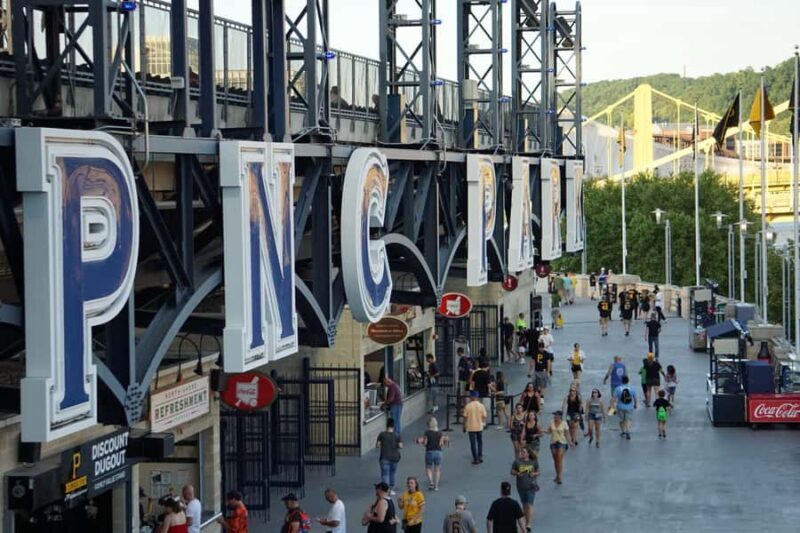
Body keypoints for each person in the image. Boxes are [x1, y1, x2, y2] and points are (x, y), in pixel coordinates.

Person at [511, 446, 540, 532]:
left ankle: (528, 524)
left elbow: (539, 471)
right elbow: (512, 471)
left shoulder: (533, 461)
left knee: (529, 504)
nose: (521, 453)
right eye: (521, 452)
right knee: (524, 504)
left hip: (531, 486)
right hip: (521, 486)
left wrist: (534, 474)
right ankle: (525, 519)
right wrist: (517, 473)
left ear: (528, 453)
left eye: (523, 452)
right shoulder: (517, 462)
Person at [417, 417, 449, 490]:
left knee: (428, 468)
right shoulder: (440, 433)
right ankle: (436, 485)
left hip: (429, 452)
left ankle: (431, 482)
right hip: (438, 452)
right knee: (437, 469)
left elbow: (425, 443)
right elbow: (441, 444)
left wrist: (422, 443)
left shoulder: (427, 432)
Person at [376, 418, 403, 494]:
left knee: (385, 474)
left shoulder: (382, 434)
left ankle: (386, 490)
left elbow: (377, 445)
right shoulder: (397, 435)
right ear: (393, 426)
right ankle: (392, 488)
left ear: (386, 425)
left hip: (384, 457)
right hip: (394, 457)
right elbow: (400, 446)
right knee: (393, 473)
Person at [545, 411, 570, 484]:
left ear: (560, 416)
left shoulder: (564, 423)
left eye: (556, 415)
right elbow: (549, 431)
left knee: (559, 459)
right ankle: (557, 475)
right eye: (555, 415)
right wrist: (542, 430)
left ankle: (560, 476)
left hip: (562, 442)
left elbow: (567, 433)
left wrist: (570, 442)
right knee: (555, 460)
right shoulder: (551, 422)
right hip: (553, 442)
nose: (555, 417)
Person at [463, 391, 487, 465]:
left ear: (471, 397)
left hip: (471, 427)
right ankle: (480, 456)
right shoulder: (481, 406)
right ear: (477, 397)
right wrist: (483, 424)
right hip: (479, 426)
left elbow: (465, 417)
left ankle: (475, 458)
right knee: (480, 441)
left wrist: (464, 426)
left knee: (473, 443)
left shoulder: (468, 406)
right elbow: (484, 416)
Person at [612, 375, 637, 440]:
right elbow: (635, 398)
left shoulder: (618, 388)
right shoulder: (632, 388)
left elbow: (614, 399)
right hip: (629, 407)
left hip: (620, 407)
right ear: (628, 381)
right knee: (628, 419)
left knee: (621, 420)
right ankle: (627, 431)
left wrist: (613, 407)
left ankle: (623, 431)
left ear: (621, 381)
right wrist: (635, 404)